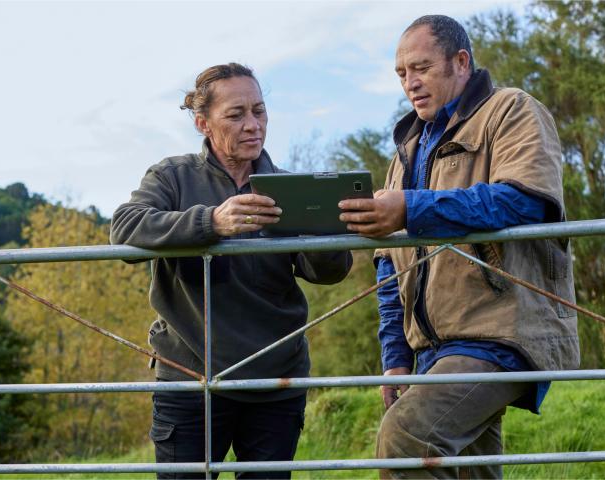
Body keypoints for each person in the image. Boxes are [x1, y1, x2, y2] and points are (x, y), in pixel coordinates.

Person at [339, 15, 579, 479]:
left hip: (499, 333)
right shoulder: (405, 152)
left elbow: (525, 201)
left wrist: (411, 209)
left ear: (461, 62)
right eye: (401, 73)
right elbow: (388, 266)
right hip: (429, 349)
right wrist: (394, 361)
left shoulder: (511, 110)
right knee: (468, 472)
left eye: (422, 68)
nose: (410, 82)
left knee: (406, 437)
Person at [110, 62, 352, 479]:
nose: (252, 125)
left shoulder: (288, 185)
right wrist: (210, 223)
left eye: (259, 111)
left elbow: (329, 272)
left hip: (276, 379)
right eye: (236, 114)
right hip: (190, 378)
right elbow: (125, 229)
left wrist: (329, 225)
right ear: (203, 123)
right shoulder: (172, 176)